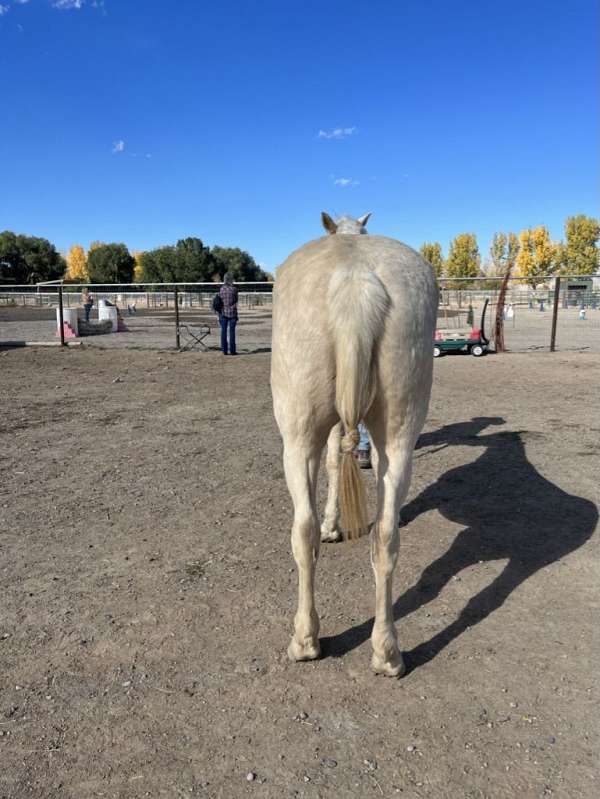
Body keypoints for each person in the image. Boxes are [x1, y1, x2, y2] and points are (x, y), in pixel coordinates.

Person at [219, 273, 238, 355]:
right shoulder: (234, 289)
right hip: (233, 312)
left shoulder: (221, 289)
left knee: (223, 331)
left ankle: (224, 350)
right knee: (232, 332)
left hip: (223, 312)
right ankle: (233, 350)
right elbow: (236, 300)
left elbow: (220, 300)